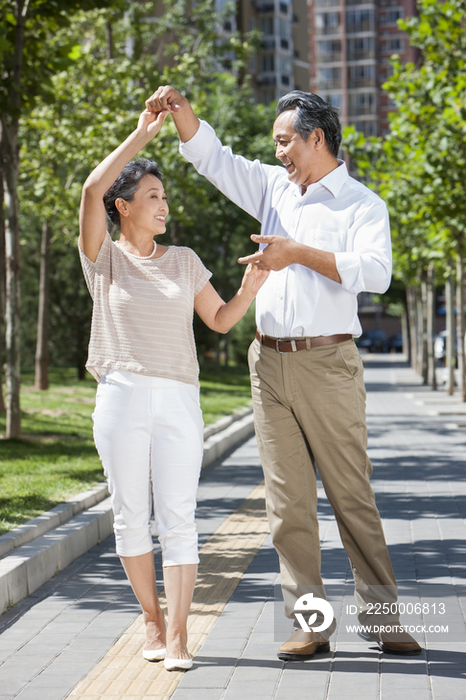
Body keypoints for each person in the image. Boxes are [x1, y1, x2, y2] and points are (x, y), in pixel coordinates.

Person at [144, 86, 422, 660]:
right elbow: (214, 159)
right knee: (287, 503)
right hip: (269, 361)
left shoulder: (361, 204)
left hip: (329, 362)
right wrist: (181, 111)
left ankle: (383, 617)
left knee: (351, 496)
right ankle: (311, 623)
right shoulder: (273, 187)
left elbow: (375, 274)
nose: (278, 153)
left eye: (285, 140)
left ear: (316, 137)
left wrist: (295, 253)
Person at [78, 105, 269, 672]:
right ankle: (153, 621)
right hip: (121, 395)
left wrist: (250, 287)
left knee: (179, 519)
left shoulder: (184, 261)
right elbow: (90, 189)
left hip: (180, 399)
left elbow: (220, 320)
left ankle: (181, 636)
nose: (164, 205)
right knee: (131, 518)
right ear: (124, 206)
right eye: (154, 195)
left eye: (165, 197)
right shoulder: (103, 259)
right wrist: (140, 135)